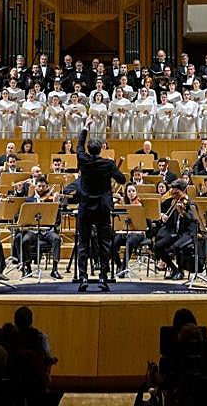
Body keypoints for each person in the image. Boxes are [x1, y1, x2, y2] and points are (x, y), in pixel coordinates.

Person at [74, 119, 126, 291]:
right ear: (102, 149)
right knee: (104, 243)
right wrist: (111, 171)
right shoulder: (108, 164)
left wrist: (85, 126)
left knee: (83, 243)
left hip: (86, 208)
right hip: (103, 208)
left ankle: (83, 278)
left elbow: (79, 146)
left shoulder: (83, 160)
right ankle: (103, 277)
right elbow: (122, 180)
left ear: (89, 150)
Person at [154, 180, 197, 280]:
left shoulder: (190, 204)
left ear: (184, 191)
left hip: (188, 233)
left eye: (177, 193)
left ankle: (181, 272)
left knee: (177, 246)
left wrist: (182, 212)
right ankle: (174, 269)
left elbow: (193, 220)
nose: (174, 196)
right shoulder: (173, 202)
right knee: (157, 246)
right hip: (176, 232)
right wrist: (163, 217)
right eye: (172, 193)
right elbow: (170, 221)